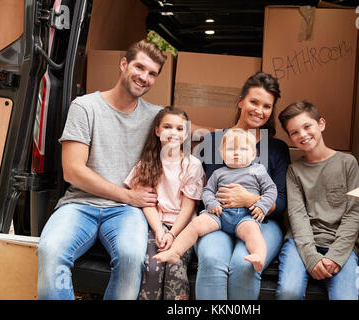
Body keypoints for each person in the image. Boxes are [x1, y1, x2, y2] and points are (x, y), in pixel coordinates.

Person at [36, 40, 168, 300]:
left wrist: (237, 133)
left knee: (132, 257)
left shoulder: (156, 117)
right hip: (80, 204)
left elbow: (189, 127)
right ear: (123, 64)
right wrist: (128, 195)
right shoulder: (85, 107)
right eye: (139, 67)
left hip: (125, 213)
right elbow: (73, 171)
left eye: (152, 73)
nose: (144, 77)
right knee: (50, 250)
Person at [192, 72, 291, 299]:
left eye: (267, 106)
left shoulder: (276, 149)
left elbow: (282, 202)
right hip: (219, 218)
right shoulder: (214, 141)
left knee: (244, 264)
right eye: (254, 102)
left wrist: (250, 200)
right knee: (212, 259)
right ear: (240, 102)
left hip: (261, 221)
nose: (259, 110)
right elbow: (204, 190)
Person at [154, 128, 277, 273]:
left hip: (245, 216)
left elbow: (271, 190)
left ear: (253, 154)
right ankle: (175, 252)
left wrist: (262, 205)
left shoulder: (258, 170)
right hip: (219, 215)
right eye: (231, 149)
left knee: (253, 232)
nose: (236, 153)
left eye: (243, 149)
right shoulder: (219, 173)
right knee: (196, 224)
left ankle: (259, 255)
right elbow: (207, 191)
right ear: (222, 154)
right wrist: (212, 203)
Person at [275, 101, 359, 300]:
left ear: (321, 124)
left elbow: (354, 214)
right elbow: (297, 215)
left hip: (340, 244)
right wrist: (312, 258)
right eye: (294, 132)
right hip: (301, 243)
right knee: (289, 291)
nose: (303, 135)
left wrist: (335, 257)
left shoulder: (347, 163)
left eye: (307, 126)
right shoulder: (294, 171)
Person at [123, 106, 205, 300]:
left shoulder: (192, 165)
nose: (173, 133)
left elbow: (189, 206)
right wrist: (160, 230)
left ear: (186, 134)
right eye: (167, 127)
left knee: (175, 269)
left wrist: (173, 233)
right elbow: (146, 202)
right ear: (157, 130)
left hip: (183, 228)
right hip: (155, 225)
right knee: (152, 267)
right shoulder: (147, 163)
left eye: (179, 128)